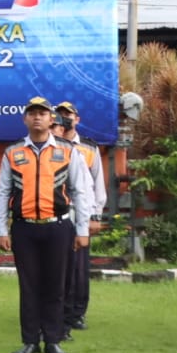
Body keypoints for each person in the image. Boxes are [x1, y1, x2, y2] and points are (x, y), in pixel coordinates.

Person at [0, 97, 94, 353]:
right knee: (29, 286)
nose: (37, 117)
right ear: (24, 119)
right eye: (32, 113)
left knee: (56, 285)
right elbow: (3, 192)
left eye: (42, 113)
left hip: (58, 227)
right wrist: (0, 229)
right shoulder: (13, 152)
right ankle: (29, 341)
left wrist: (82, 230)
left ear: (52, 119)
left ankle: (53, 339)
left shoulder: (68, 150)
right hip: (24, 229)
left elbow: (80, 191)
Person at [54, 101, 107, 339]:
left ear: (78, 119)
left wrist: (95, 215)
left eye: (68, 115)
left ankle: (77, 313)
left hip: (81, 211)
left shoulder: (88, 147)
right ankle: (57, 312)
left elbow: (97, 185)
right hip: (57, 211)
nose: (64, 118)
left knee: (79, 266)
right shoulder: (48, 146)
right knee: (58, 265)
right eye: (60, 115)